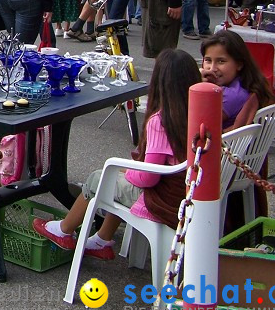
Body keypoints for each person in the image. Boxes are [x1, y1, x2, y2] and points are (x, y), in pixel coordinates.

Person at [32, 49, 200, 259]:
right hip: (186, 189)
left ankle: (64, 230)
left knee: (100, 177)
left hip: (161, 197)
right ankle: (102, 239)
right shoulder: (198, 113)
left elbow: (147, 178)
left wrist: (130, 172)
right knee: (116, 175)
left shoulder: (161, 121)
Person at [199, 30, 275, 131]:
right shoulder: (243, 83)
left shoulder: (230, 95)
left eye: (221, 61)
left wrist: (193, 82)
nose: (212, 68)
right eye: (208, 60)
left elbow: (195, 124)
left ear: (239, 64)